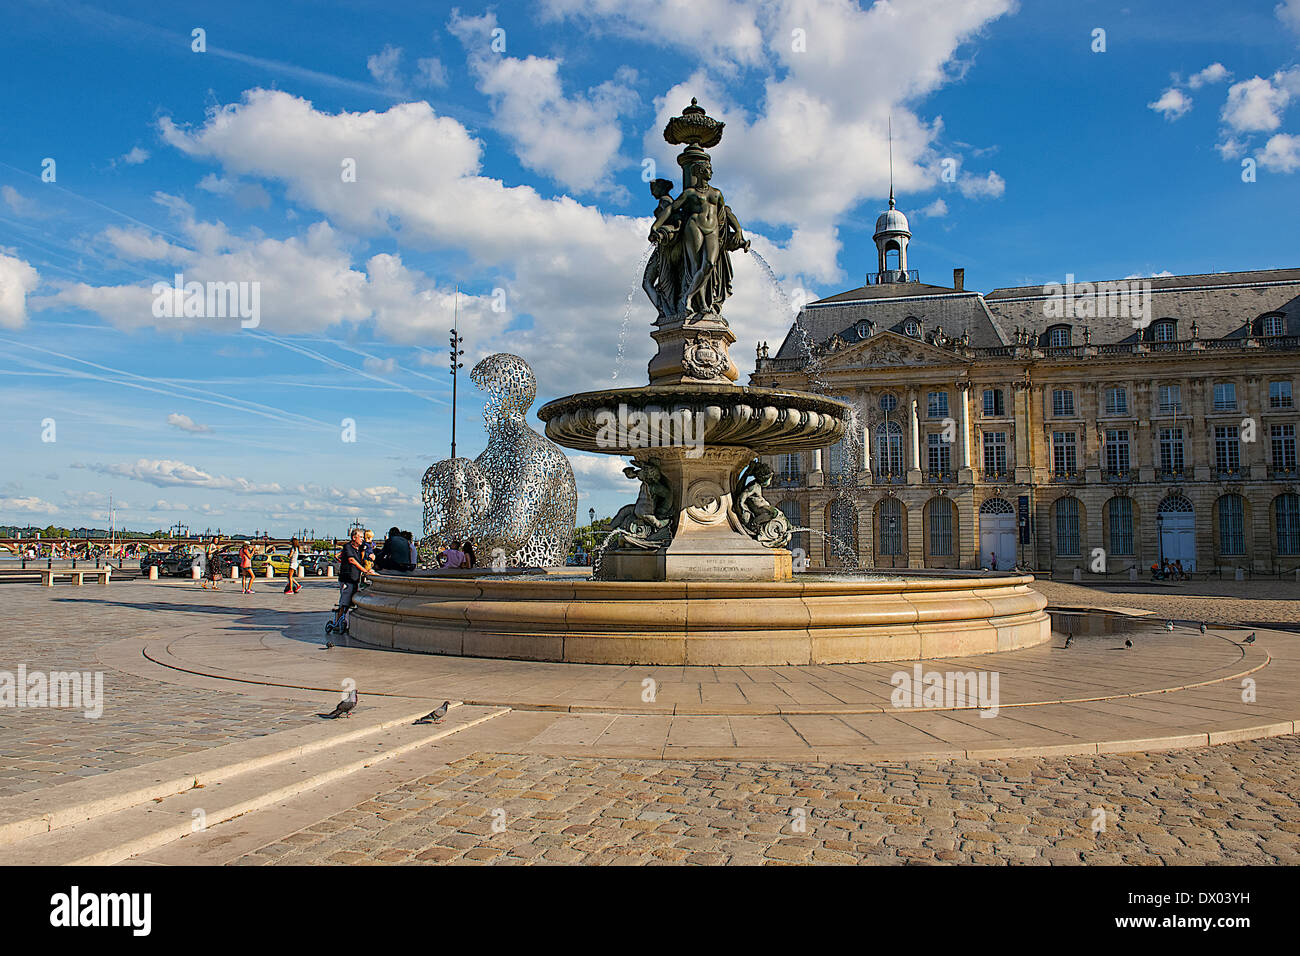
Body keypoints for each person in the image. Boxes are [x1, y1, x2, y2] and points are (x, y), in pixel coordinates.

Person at [333, 528, 370, 630]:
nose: (363, 539)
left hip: (354, 579)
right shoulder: (348, 547)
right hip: (347, 579)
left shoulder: (359, 549)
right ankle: (337, 623)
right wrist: (364, 570)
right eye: (361, 537)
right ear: (354, 537)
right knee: (345, 602)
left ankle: (342, 621)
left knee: (351, 602)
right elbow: (351, 560)